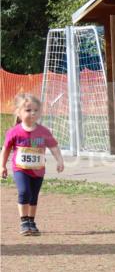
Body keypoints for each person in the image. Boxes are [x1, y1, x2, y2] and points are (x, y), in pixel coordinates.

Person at [1, 93, 65, 236]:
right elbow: (5, 149)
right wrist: (2, 166)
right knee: (24, 192)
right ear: (19, 112)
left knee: (33, 196)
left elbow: (54, 147)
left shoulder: (43, 131)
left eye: (36, 110)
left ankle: (31, 221)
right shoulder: (14, 132)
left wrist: (60, 160)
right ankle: (24, 221)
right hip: (20, 170)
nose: (32, 113)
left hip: (38, 171)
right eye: (28, 110)